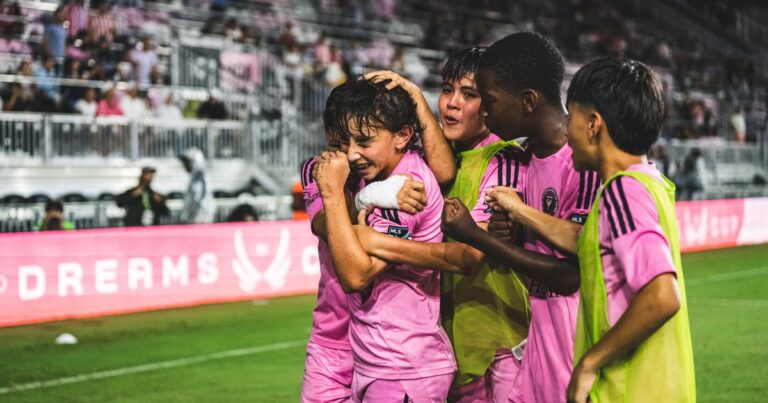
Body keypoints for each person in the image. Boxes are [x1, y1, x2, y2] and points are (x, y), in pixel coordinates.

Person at [495, 58, 696, 403]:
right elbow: (581, 238)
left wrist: (590, 362)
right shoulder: (651, 183)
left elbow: (663, 295)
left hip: (630, 390)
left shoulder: (621, 191)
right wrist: (520, 211)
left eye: (570, 116)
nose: (565, 128)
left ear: (593, 124)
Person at [363, 48, 531, 401]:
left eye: (468, 94)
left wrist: (374, 243)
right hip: (445, 345)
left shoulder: (504, 160)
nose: (451, 104)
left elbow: (470, 256)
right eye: (447, 90)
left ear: (491, 103)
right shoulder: (430, 158)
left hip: (498, 347)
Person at [441, 32, 599, 403]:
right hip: (536, 343)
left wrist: (476, 236)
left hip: (575, 343)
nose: (482, 111)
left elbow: (568, 275)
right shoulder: (520, 162)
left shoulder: (584, 163)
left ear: (527, 101)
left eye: (489, 101)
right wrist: (508, 236)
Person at [313, 77, 456, 402]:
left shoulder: (408, 189)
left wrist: (334, 191)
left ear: (403, 135)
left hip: (403, 365)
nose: (351, 154)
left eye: (364, 141)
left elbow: (354, 275)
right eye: (345, 141)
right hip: (384, 362)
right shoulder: (383, 181)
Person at [179, 147, 215, 224]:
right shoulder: (195, 177)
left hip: (198, 219)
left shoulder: (199, 177)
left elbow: (196, 198)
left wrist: (185, 216)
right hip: (196, 218)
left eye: (187, 162)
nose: (184, 165)